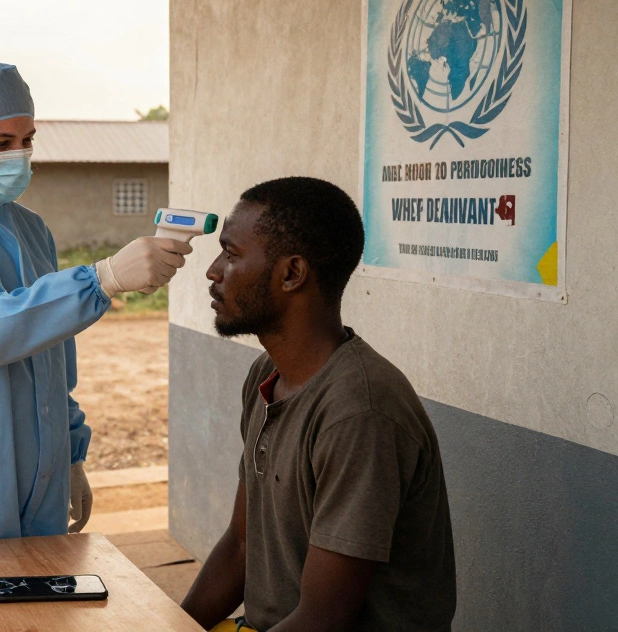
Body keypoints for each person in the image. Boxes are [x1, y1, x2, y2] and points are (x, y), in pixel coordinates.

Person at [0, 63, 192, 548]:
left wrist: (70, 455)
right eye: (1, 144)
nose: (18, 155)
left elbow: (53, 357)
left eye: (27, 140)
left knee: (31, 609)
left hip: (40, 459)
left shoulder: (32, 228)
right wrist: (103, 278)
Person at [181, 177, 455, 632]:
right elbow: (240, 547)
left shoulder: (359, 412)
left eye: (231, 254)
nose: (213, 270)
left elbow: (324, 618)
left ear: (291, 274)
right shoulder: (266, 375)